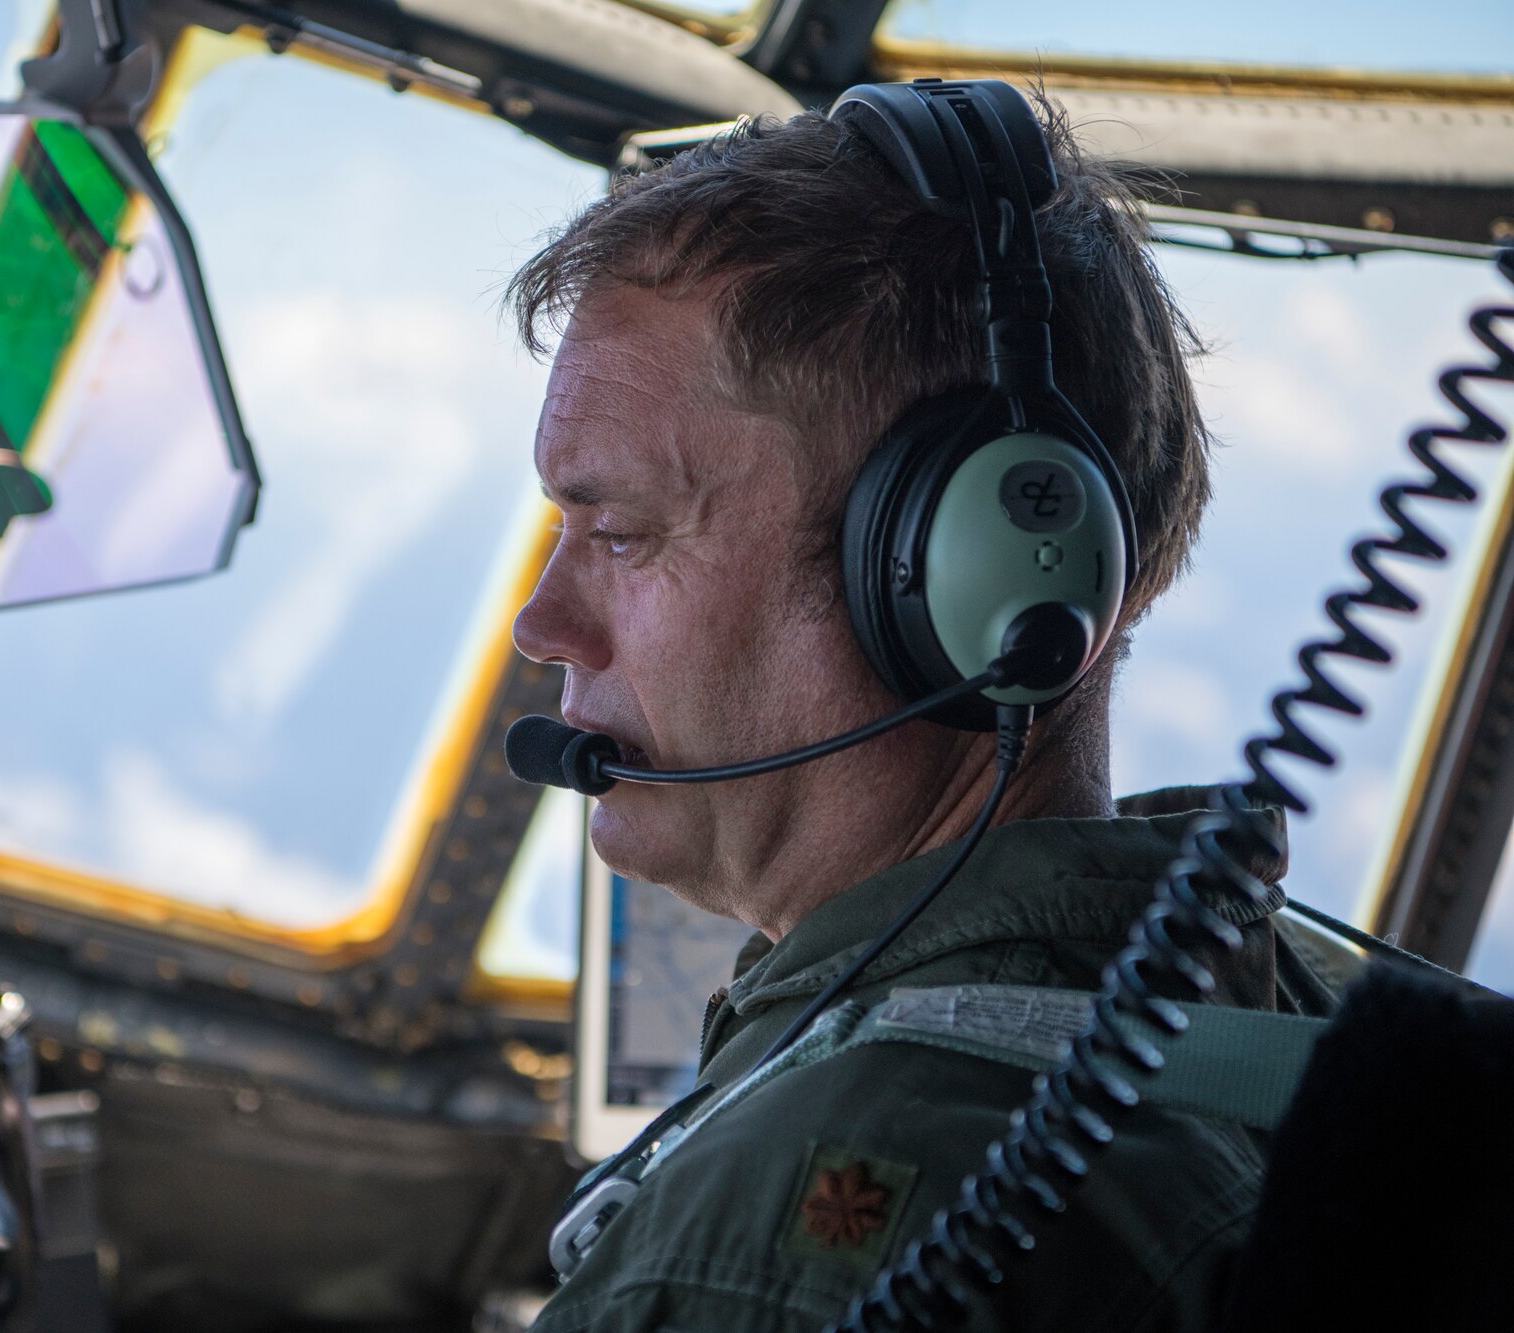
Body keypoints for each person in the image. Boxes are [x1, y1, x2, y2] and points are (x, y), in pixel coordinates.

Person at [505, 93, 1350, 1332]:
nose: (543, 623)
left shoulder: (797, 1245)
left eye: (622, 533)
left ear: (969, 577)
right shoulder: (1310, 1023)